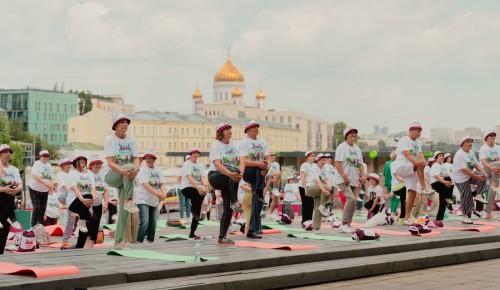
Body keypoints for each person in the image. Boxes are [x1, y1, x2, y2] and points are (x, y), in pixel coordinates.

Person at [104, 113, 140, 250]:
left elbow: (136, 158)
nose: (125, 124)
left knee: (125, 212)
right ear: (115, 126)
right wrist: (126, 170)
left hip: (127, 176)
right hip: (112, 175)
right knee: (129, 166)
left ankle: (118, 242)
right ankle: (129, 200)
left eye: (126, 122)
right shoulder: (110, 140)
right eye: (122, 122)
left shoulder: (132, 140)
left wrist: (136, 169)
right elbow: (110, 162)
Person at [390, 122, 433, 225]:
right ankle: (423, 187)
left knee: (412, 193)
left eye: (420, 132)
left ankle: (406, 218)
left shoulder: (417, 142)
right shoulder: (404, 140)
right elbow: (408, 155)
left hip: (410, 168)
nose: (419, 133)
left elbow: (421, 155)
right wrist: (420, 164)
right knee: (419, 164)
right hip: (401, 165)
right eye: (417, 131)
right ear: (411, 130)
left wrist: (423, 163)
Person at [208, 122, 242, 244]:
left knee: (228, 210)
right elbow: (217, 164)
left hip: (230, 179)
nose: (229, 131)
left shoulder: (235, 145)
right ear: (220, 133)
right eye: (226, 129)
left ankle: (222, 237)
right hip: (215, 176)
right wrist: (232, 174)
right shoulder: (215, 145)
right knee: (233, 169)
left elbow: (241, 161)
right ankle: (235, 200)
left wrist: (239, 174)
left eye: (229, 129)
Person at [239, 120, 269, 239]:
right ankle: (259, 191)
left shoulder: (263, 142)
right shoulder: (244, 142)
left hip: (261, 173)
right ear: (247, 130)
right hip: (249, 172)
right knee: (259, 166)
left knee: (258, 202)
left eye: (257, 126)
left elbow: (268, 160)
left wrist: (266, 169)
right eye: (253, 127)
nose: (256, 128)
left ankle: (252, 229)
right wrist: (259, 165)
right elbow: (244, 161)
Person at [334, 127, 366, 233]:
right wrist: (344, 176)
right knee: (351, 199)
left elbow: (360, 163)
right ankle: (343, 224)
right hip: (343, 179)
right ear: (346, 135)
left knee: (353, 202)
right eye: (351, 133)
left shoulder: (357, 148)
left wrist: (364, 175)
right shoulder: (341, 147)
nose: (353, 135)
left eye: (355, 133)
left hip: (354, 179)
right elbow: (337, 163)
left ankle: (348, 224)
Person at [451, 137, 488, 224]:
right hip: (460, 178)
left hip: (469, 174)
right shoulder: (459, 155)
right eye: (468, 142)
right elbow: (464, 170)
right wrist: (476, 177)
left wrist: (483, 173)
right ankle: (465, 217)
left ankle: (479, 195)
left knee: (483, 176)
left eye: (471, 142)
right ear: (462, 144)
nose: (470, 143)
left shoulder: (471, 153)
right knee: (466, 195)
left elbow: (476, 165)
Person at [75, 156, 109, 248]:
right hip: (89, 203)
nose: (98, 166)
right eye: (96, 164)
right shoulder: (88, 174)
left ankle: (91, 242)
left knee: (97, 223)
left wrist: (106, 203)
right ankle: (85, 242)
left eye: (99, 164)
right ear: (91, 165)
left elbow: (106, 190)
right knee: (89, 223)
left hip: (98, 203)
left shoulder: (102, 175)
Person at [136, 151, 166, 243]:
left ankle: (150, 242)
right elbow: (146, 185)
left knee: (153, 223)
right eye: (146, 158)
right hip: (143, 199)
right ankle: (139, 242)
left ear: (154, 159)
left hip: (153, 200)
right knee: (144, 222)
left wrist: (163, 193)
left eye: (150, 158)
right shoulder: (143, 170)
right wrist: (158, 195)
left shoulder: (158, 170)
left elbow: (162, 183)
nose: (148, 160)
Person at [67, 156, 96, 248]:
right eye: (80, 160)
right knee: (88, 196)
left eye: (84, 160)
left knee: (88, 220)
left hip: (86, 202)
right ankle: (81, 220)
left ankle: (79, 246)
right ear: (76, 162)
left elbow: (93, 189)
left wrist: (92, 200)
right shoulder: (72, 173)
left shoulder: (89, 173)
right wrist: (83, 200)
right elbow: (75, 189)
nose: (83, 161)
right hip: (74, 201)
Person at [180, 147, 208, 239]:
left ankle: (192, 232)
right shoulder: (187, 164)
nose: (196, 154)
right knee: (198, 196)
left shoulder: (200, 164)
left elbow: (203, 177)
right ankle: (194, 211)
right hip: (187, 188)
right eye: (194, 153)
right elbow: (190, 177)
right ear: (191, 154)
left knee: (198, 209)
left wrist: (206, 186)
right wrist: (198, 188)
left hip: (197, 189)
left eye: (197, 153)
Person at [0, 144, 23, 254]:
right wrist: (3, 189)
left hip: (9, 201)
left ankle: (1, 252)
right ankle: (12, 217)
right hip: (2, 197)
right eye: (5, 152)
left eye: (9, 152)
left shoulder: (14, 169)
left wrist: (16, 189)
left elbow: (20, 185)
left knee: (5, 227)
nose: (8, 154)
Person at [306, 153, 333, 230]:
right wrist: (325, 190)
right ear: (317, 160)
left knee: (318, 208)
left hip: (319, 189)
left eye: (325, 160)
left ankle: (316, 227)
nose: (324, 161)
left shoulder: (325, 168)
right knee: (326, 189)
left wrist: (329, 187)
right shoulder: (314, 168)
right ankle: (324, 206)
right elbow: (318, 181)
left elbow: (326, 179)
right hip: (310, 189)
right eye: (322, 160)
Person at [29, 149, 54, 227]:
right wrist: (46, 184)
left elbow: (52, 177)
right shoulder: (37, 164)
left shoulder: (49, 165)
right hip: (35, 189)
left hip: (44, 190)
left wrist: (51, 185)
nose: (46, 158)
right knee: (36, 207)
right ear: (40, 157)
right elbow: (36, 176)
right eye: (44, 156)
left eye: (47, 156)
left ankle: (40, 226)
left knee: (43, 209)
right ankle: (33, 226)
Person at [479, 131, 500, 219]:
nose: (493, 137)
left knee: (493, 189)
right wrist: (493, 168)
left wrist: (497, 169)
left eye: (494, 136)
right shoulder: (483, 148)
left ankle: (488, 212)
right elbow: (483, 161)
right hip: (486, 170)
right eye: (491, 136)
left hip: (495, 170)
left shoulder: (498, 147)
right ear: (486, 138)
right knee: (496, 164)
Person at [431, 151, 454, 221]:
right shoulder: (435, 165)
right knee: (448, 179)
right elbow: (437, 176)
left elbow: (448, 174)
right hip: (436, 183)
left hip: (444, 184)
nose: (441, 157)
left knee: (443, 201)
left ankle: (439, 218)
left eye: (442, 156)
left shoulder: (444, 166)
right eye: (439, 156)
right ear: (436, 158)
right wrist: (445, 182)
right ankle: (448, 197)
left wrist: (450, 182)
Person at [299, 151, 316, 224]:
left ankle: (310, 220)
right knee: (306, 203)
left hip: (312, 187)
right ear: (307, 157)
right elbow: (303, 177)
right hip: (304, 186)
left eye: (314, 156)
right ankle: (304, 221)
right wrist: (305, 188)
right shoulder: (304, 165)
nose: (313, 157)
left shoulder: (315, 165)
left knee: (311, 203)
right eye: (311, 156)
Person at [264, 151, 281, 220]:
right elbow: (266, 174)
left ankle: (270, 213)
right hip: (266, 180)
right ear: (268, 156)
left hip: (274, 181)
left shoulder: (277, 164)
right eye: (272, 155)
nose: (274, 156)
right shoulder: (266, 163)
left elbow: (278, 175)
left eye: (274, 155)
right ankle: (263, 212)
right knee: (266, 198)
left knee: (276, 198)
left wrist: (276, 181)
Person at [178, 155, 192, 224]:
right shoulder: (184, 168)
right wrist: (183, 185)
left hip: (188, 188)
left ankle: (188, 217)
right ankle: (182, 218)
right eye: (188, 159)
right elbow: (179, 177)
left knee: (188, 203)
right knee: (182, 203)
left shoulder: (191, 169)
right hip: (181, 188)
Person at [384, 151, 398, 216]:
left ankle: (391, 211)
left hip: (388, 182)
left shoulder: (387, 163)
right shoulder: (396, 163)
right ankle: (393, 212)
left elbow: (384, 173)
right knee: (397, 197)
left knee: (391, 197)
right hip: (395, 182)